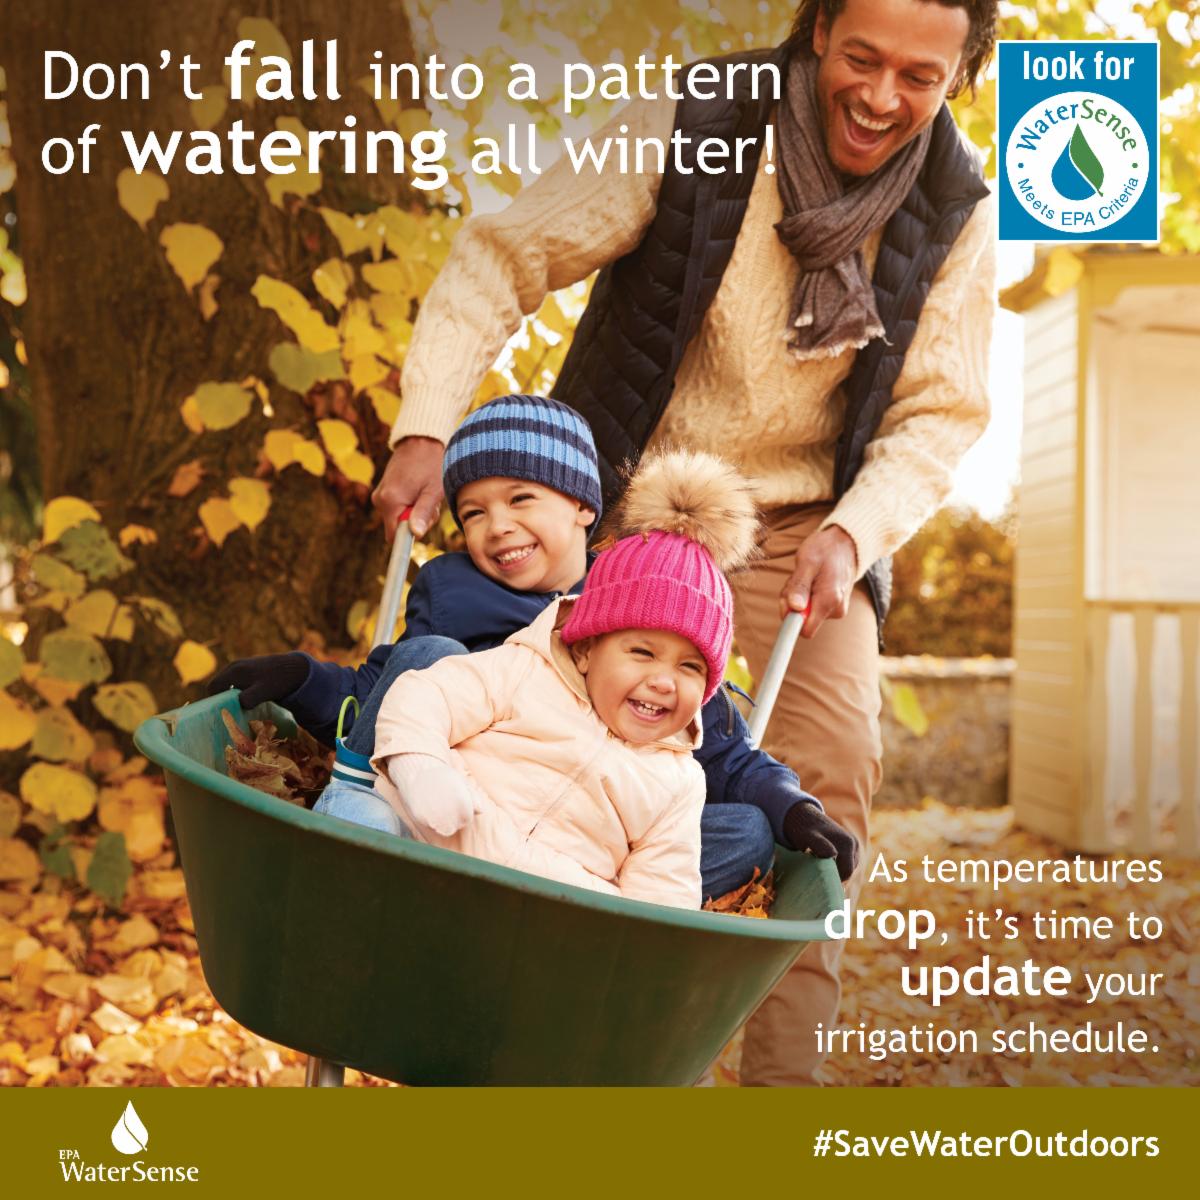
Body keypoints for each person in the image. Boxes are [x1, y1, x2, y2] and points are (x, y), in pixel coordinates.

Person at [369, 0, 999, 1084]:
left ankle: (778, 1097)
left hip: (803, 523)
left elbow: (942, 413)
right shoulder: (695, 114)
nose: (882, 96)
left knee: (830, 778)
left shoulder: (959, 206)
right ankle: (543, 1041)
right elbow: (505, 249)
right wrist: (428, 423)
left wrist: (853, 535)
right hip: (627, 491)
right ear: (815, 34)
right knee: (527, 732)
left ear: (961, 76)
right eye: (861, 58)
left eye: (920, 76)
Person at [211, 393, 858, 901]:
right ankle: (359, 829)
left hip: (581, 842)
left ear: (582, 506)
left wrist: (790, 806)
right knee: (430, 659)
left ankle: (586, 904)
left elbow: (726, 750)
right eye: (472, 513)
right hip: (450, 808)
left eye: (521, 498)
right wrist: (303, 678)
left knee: (741, 831)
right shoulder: (453, 592)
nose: (498, 527)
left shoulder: (650, 600)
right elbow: (385, 694)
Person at [364, 448, 759, 908]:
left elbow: (661, 892)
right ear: (587, 649)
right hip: (430, 841)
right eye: (642, 653)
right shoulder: (528, 672)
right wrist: (422, 766)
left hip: (543, 910)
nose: (664, 681)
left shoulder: (678, 783)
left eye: (690, 667)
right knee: (374, 813)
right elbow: (426, 694)